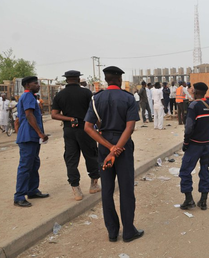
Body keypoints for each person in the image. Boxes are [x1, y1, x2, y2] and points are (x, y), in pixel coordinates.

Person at [84, 66, 144, 243]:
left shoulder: (96, 99)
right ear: (119, 80)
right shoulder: (128, 98)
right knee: (126, 190)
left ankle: (112, 231)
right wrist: (117, 148)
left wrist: (109, 148)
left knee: (107, 190)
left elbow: (88, 127)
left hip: (104, 146)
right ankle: (128, 232)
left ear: (106, 80)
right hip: (123, 146)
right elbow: (130, 127)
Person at [51, 70, 101, 201]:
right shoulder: (86, 93)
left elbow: (54, 114)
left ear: (66, 80)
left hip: (69, 130)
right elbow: (94, 112)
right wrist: (100, 128)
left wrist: (69, 119)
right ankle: (93, 184)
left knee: (71, 158)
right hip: (86, 129)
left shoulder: (60, 95)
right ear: (78, 80)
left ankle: (76, 189)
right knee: (91, 155)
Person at [179, 82, 209, 210]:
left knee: (185, 171)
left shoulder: (193, 106)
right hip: (207, 143)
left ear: (195, 92)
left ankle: (189, 200)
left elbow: (189, 127)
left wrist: (185, 143)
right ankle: (203, 200)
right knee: (205, 170)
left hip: (195, 144)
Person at [14, 76, 50, 207]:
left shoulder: (29, 97)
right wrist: (40, 133)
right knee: (25, 166)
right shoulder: (28, 96)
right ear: (28, 85)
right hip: (28, 136)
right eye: (36, 83)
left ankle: (32, 190)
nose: (38, 85)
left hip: (31, 136)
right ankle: (19, 196)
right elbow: (29, 115)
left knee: (34, 164)